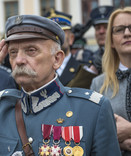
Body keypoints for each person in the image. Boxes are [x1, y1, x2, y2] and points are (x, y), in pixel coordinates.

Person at [0, 14, 121, 155]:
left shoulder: (92, 109)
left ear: (57, 59)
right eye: (13, 52)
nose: (19, 60)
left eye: (31, 50)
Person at [90, 7, 131, 155]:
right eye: (119, 29)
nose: (127, 33)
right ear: (111, 41)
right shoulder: (98, 84)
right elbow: (92, 136)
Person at [67, 6, 114, 89]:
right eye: (97, 28)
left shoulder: (124, 56)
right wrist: (93, 69)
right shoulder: (89, 58)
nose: (101, 32)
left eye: (106, 27)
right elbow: (73, 91)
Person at [45, 9, 80, 86]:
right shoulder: (39, 69)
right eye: (51, 33)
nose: (56, 37)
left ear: (71, 38)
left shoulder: (81, 69)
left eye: (61, 32)